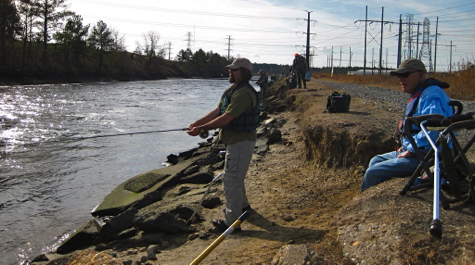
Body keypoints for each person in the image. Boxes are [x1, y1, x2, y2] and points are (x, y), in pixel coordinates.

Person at [187, 57, 260, 232]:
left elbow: (227, 118)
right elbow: (218, 111)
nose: (230, 71)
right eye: (230, 69)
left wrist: (202, 128)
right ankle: (243, 208)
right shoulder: (232, 90)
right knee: (235, 177)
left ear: (244, 72)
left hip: (241, 142)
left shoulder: (243, 93)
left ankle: (231, 223)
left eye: (234, 69)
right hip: (235, 142)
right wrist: (196, 124)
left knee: (231, 180)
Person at [361, 58, 453, 192]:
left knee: (373, 173)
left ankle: (366, 207)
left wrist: (410, 150)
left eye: (405, 75)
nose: (400, 79)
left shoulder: (432, 95)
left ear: (420, 75)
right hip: (417, 150)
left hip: (428, 156)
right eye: (399, 75)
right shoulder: (423, 93)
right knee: (375, 160)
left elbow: (434, 129)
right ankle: (378, 193)